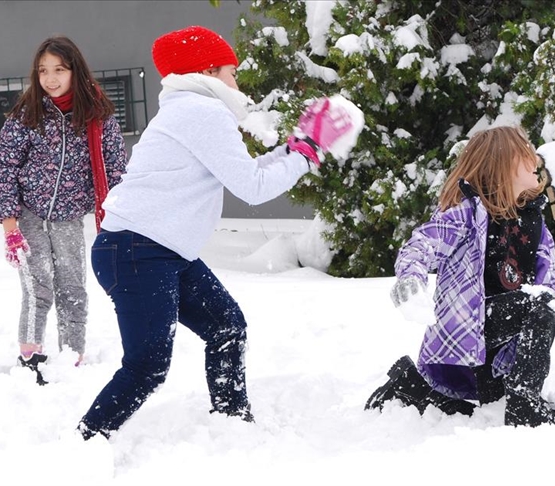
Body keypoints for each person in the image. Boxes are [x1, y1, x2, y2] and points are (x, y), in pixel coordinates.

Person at [76, 25, 353, 440]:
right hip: (138, 250)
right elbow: (254, 189)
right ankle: (86, 439)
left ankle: (231, 423)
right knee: (147, 366)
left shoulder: (191, 110)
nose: (236, 80)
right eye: (231, 71)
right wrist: (307, 153)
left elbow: (246, 171)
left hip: (158, 249)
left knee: (226, 326)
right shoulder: (200, 112)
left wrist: (296, 146)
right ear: (208, 71)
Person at [364, 126, 555, 427]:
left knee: (473, 413)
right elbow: (422, 244)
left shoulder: (536, 226)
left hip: (503, 343)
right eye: (524, 155)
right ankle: (525, 403)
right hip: (469, 325)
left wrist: (554, 315)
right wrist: (410, 277)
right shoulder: (467, 214)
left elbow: (548, 281)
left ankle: (410, 386)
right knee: (540, 305)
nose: (534, 160)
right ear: (500, 164)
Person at [0, 35, 127, 385]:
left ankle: (72, 358)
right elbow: (5, 169)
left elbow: (115, 171)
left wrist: (121, 220)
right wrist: (10, 227)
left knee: (72, 288)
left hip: (69, 217)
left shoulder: (98, 116)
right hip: (29, 215)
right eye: (43, 71)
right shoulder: (27, 114)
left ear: (75, 71)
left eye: (58, 70)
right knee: (38, 287)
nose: (50, 79)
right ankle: (31, 358)